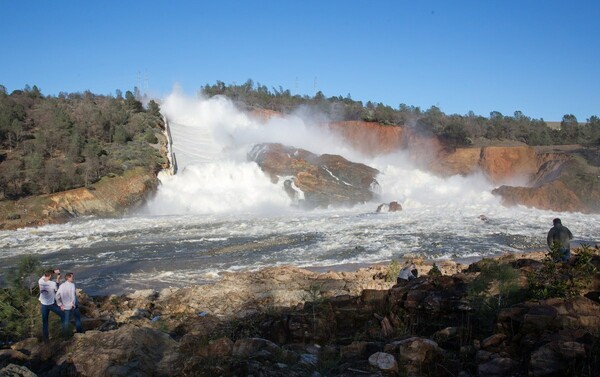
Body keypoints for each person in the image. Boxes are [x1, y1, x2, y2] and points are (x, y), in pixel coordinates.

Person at [38, 269, 64, 341]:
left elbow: (45, 274)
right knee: (63, 315)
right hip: (51, 304)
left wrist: (53, 271)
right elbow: (57, 289)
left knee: (45, 322)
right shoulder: (52, 283)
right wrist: (58, 278)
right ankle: (64, 334)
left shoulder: (40, 281)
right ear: (50, 276)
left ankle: (46, 339)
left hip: (43, 304)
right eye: (51, 276)